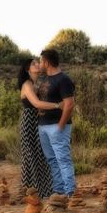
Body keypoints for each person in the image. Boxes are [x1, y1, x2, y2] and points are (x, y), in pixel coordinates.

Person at [17, 58, 62, 198]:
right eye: (33, 64)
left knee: (41, 155)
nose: (37, 65)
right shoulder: (27, 84)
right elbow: (36, 103)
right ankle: (31, 193)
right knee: (30, 156)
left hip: (38, 121)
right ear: (27, 69)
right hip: (29, 122)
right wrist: (57, 105)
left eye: (38, 62)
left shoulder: (37, 84)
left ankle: (39, 192)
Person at [38, 49, 76, 196]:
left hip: (57, 126)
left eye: (41, 61)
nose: (40, 63)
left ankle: (69, 192)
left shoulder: (63, 79)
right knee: (52, 160)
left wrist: (61, 125)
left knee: (63, 159)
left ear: (47, 62)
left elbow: (69, 104)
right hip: (43, 126)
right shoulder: (45, 80)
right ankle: (59, 190)